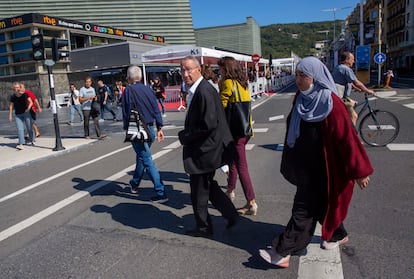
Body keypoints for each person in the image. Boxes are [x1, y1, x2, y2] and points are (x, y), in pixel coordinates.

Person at [259, 57, 373, 268]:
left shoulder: (331, 103)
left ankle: (282, 251)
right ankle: (337, 234)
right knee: (320, 206)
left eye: (304, 76)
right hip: (306, 166)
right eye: (298, 75)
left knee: (302, 210)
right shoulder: (300, 98)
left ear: (316, 77)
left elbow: (347, 140)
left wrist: (360, 171)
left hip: (324, 168)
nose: (299, 80)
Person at [178, 55, 238, 238]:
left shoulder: (203, 91)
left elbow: (208, 124)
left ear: (198, 69)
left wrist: (185, 136)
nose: (185, 74)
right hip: (208, 148)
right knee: (208, 187)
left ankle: (204, 227)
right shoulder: (201, 89)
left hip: (205, 150)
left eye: (188, 69)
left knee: (198, 191)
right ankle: (231, 215)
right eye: (182, 70)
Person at [122, 65, 168, 204]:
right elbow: (156, 108)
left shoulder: (128, 91)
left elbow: (126, 112)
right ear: (141, 77)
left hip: (137, 129)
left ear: (129, 77)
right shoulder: (148, 90)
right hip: (150, 128)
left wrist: (126, 128)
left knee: (146, 158)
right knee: (142, 156)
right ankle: (135, 183)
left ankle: (161, 191)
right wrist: (160, 126)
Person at [218, 56, 258, 216]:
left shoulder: (228, 83)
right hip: (245, 129)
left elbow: (221, 107)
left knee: (241, 167)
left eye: (220, 68)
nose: (219, 71)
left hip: (234, 131)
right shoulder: (243, 83)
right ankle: (230, 191)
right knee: (234, 162)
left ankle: (251, 202)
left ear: (226, 69)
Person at [333, 51, 375, 125]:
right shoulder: (346, 69)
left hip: (339, 96)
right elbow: (356, 82)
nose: (354, 61)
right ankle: (351, 133)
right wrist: (367, 90)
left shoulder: (338, 67)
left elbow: (348, 81)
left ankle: (345, 120)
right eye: (352, 59)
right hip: (342, 97)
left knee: (354, 103)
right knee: (354, 116)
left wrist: (356, 88)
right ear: (347, 60)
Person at [9, 82, 35, 150]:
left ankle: (32, 140)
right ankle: (21, 143)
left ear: (20, 88)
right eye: (15, 88)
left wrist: (28, 108)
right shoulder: (13, 96)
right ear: (13, 89)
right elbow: (11, 106)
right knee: (20, 129)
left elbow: (31, 102)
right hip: (18, 114)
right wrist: (10, 115)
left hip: (26, 113)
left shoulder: (25, 95)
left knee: (29, 127)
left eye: (17, 87)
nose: (16, 89)